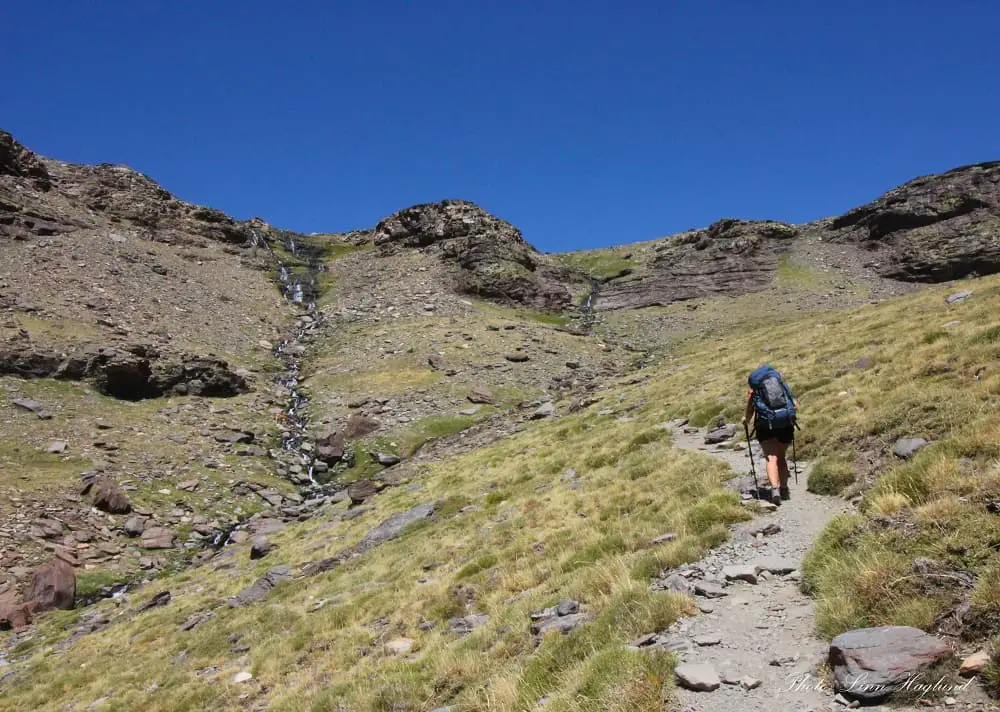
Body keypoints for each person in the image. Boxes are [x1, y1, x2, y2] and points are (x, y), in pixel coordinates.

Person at [740, 365, 798, 505]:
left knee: (771, 457)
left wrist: (745, 421)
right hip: (785, 424)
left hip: (765, 426)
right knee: (782, 458)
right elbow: (795, 405)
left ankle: (775, 490)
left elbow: (749, 412)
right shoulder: (783, 387)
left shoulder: (756, 392)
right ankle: (784, 489)